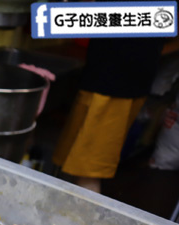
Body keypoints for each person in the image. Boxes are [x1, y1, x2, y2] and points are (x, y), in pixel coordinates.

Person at [51, 37, 165, 192]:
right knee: (78, 166)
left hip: (111, 84)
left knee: (88, 173)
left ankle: (80, 215)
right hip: (125, 76)